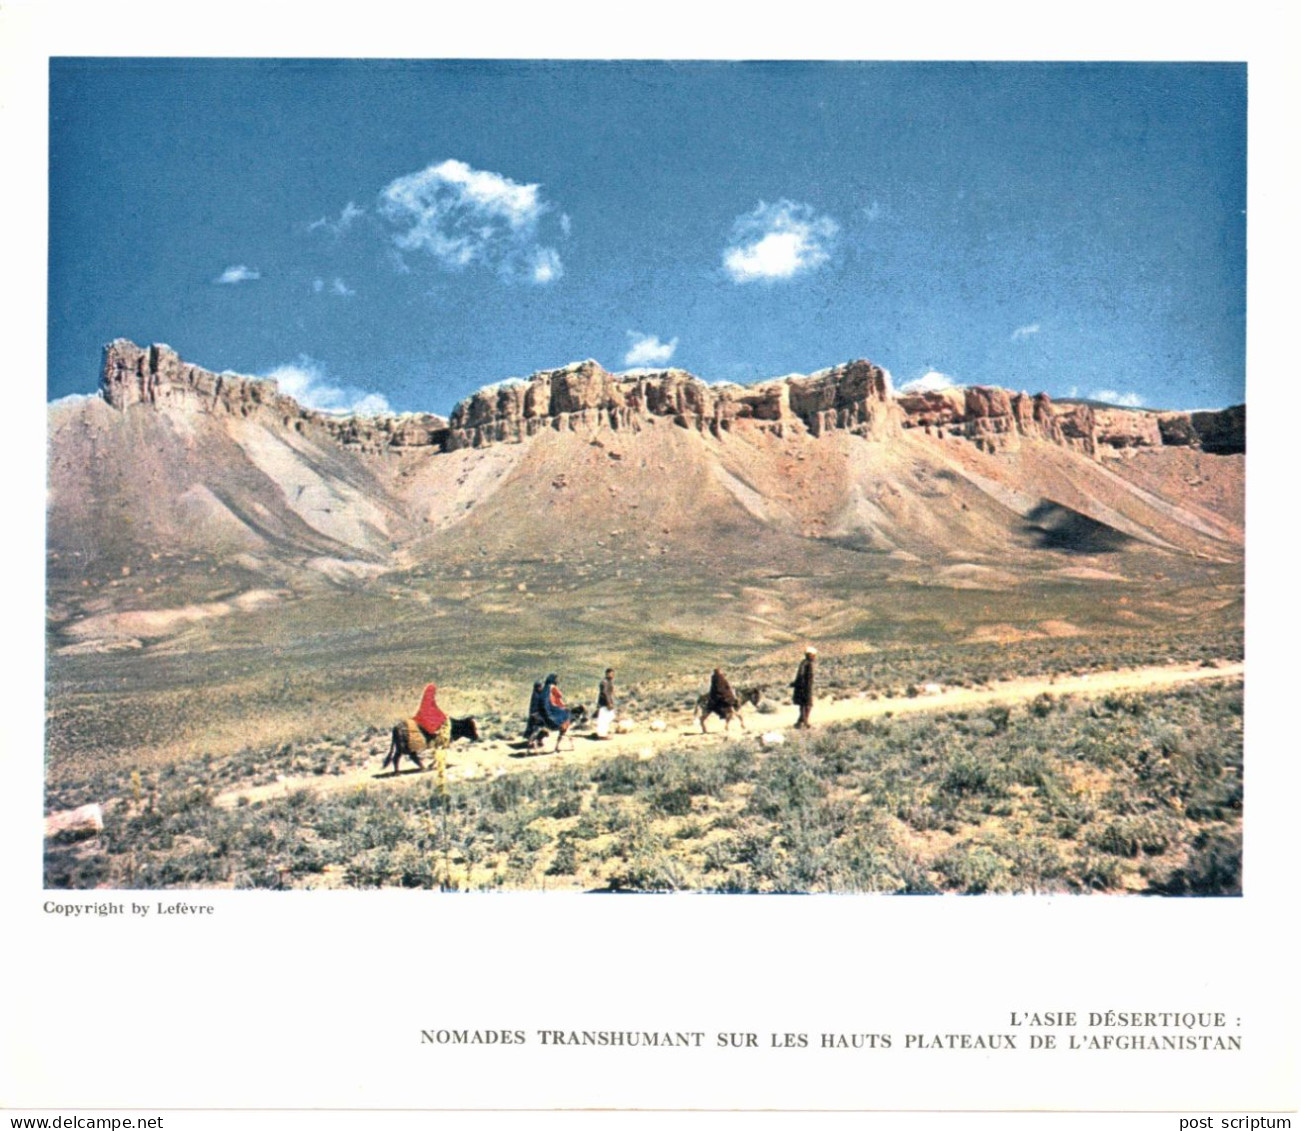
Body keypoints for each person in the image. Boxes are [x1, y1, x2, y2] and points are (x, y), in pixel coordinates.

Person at [701, 667, 740, 733]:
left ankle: (727, 725)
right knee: (730, 710)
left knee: (731, 710)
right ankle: (726, 725)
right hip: (720, 699)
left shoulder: (718, 679)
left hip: (720, 698)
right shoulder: (718, 679)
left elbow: (725, 688)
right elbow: (722, 688)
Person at [791, 647, 817, 728]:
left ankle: (800, 722)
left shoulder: (806, 663)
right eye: (813, 655)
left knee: (805, 705)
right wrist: (802, 685)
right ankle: (804, 722)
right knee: (805, 705)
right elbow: (801, 675)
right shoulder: (805, 663)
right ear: (809, 655)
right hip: (804, 687)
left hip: (806, 687)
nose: (814, 657)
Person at [596, 668, 616, 739]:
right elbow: (605, 693)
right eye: (611, 673)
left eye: (613, 674)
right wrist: (608, 703)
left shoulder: (609, 682)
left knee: (609, 717)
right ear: (607, 674)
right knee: (603, 718)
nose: (613, 675)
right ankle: (602, 735)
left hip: (607, 702)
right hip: (604, 703)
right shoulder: (604, 682)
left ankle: (604, 732)